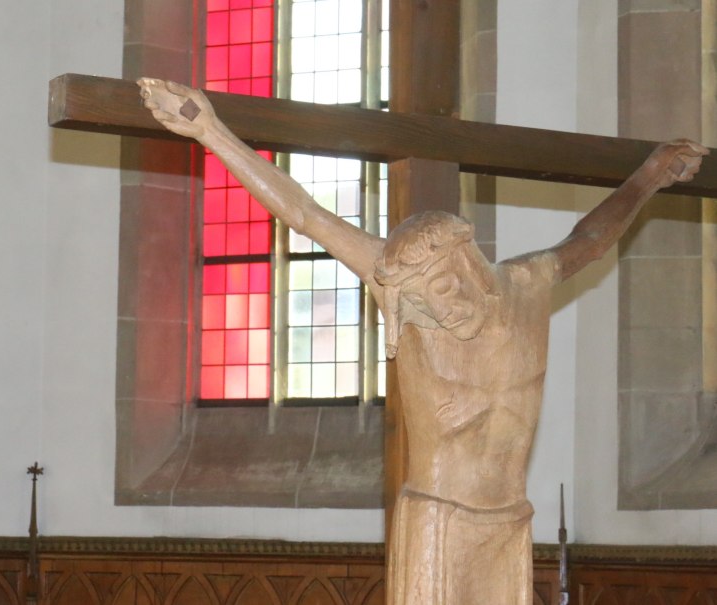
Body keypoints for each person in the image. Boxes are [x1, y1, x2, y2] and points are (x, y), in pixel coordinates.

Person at [137, 77, 707, 605]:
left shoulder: (529, 285)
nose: (442, 310)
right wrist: (210, 131)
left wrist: (651, 175)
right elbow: (306, 214)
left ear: (470, 264)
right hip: (438, 518)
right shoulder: (405, 298)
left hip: (510, 518)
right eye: (422, 303)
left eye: (444, 288)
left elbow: (592, 237)